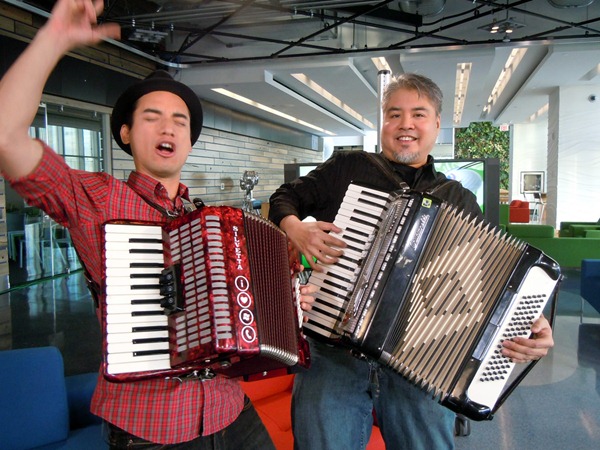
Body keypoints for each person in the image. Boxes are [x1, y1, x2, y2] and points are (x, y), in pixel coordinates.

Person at [0, 0, 282, 448]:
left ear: (189, 140)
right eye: (152, 118)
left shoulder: (212, 221)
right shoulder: (96, 197)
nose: (167, 128)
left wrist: (285, 304)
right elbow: (6, 136)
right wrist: (52, 41)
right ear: (126, 133)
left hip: (233, 412)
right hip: (153, 427)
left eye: (179, 121)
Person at [269, 73, 555, 449]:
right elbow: (283, 199)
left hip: (419, 362)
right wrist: (294, 228)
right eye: (394, 114)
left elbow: (494, 283)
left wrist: (532, 323)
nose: (405, 124)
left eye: (418, 114)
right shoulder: (347, 168)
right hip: (333, 352)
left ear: (438, 123)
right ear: (383, 123)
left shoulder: (458, 199)